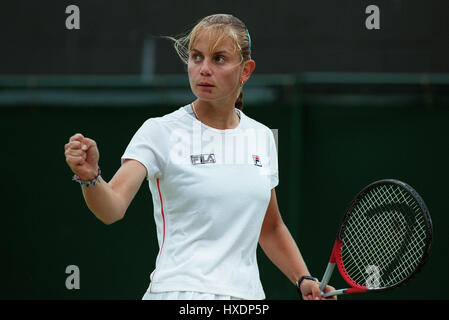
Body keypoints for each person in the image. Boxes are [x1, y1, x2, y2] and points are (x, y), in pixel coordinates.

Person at [64, 13, 336, 300]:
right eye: (196, 57)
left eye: (219, 59)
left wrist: (303, 278)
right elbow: (112, 209)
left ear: (246, 71)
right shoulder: (159, 131)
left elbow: (270, 227)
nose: (204, 69)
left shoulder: (262, 137)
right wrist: (89, 176)